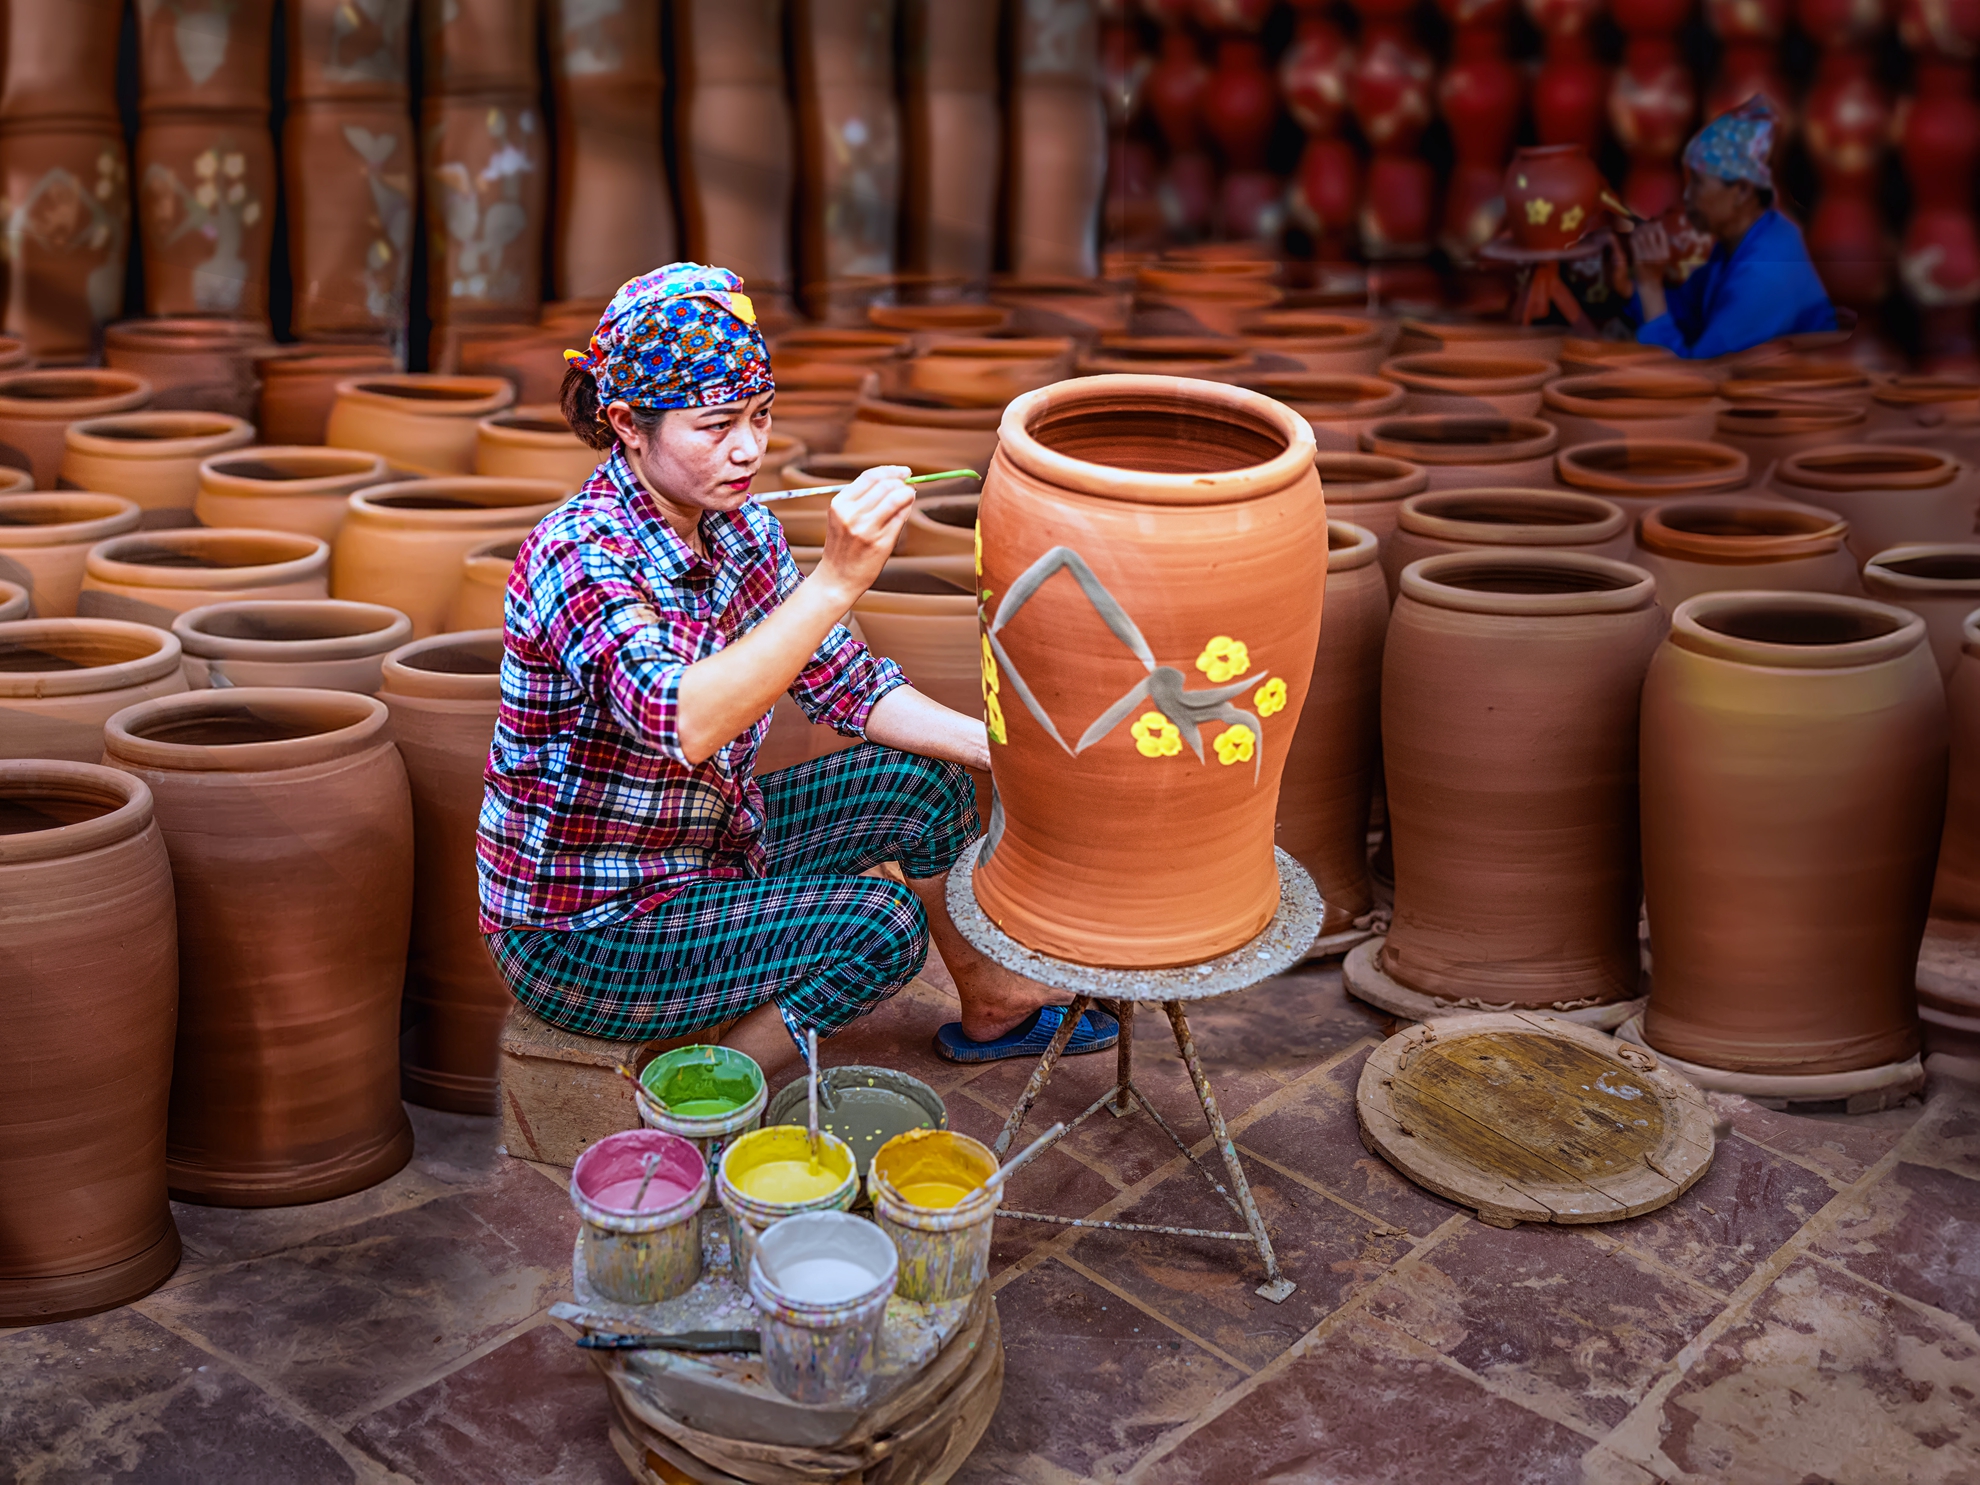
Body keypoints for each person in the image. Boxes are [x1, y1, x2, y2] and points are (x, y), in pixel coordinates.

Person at [475, 263, 1118, 1077]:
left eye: (760, 415)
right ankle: (698, 1093)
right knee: (881, 929)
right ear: (628, 425)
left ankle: (993, 1003)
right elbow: (684, 720)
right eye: (714, 426)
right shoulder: (578, 553)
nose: (747, 447)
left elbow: (845, 681)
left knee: (926, 784)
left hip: (703, 846)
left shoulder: (738, 528)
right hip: (586, 924)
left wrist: (1012, 749)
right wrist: (837, 580)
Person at [1627, 97, 1836, 359]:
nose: (1687, 197)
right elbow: (1685, 311)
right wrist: (1627, 287)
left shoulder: (1766, 274)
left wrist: (1650, 288)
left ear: (1743, 191)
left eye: (1698, 184)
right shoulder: (1738, 241)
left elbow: (1694, 379)